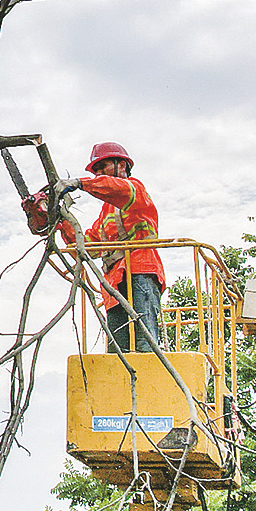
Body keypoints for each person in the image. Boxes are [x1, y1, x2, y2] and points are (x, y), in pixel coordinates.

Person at [51, 141, 165, 355]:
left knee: (144, 344)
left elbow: (115, 188)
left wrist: (80, 183)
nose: (99, 173)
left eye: (103, 167)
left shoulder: (134, 190)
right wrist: (62, 223)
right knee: (117, 352)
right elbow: (87, 249)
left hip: (140, 271)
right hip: (113, 281)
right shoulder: (106, 212)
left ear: (122, 165)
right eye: (96, 171)